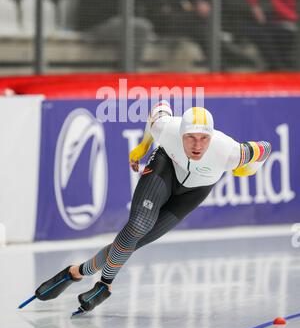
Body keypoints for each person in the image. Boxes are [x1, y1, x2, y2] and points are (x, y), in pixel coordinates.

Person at [25, 101, 271, 314]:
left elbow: (265, 148)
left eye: (204, 138)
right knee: (137, 227)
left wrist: (248, 167)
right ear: (181, 133)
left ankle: (75, 272)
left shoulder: (228, 150)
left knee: (134, 242)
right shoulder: (167, 128)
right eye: (190, 138)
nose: (197, 145)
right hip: (165, 168)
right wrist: (143, 148)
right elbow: (159, 108)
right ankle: (104, 285)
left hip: (193, 192)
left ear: (212, 137)